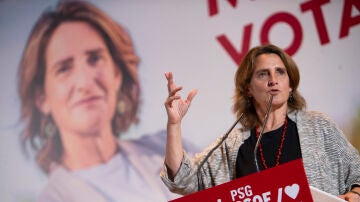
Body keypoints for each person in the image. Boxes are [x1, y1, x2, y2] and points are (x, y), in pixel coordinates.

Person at [17, 1, 196, 201]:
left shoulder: (169, 147)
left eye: (94, 58)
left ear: (117, 73)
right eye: (64, 68)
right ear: (41, 98)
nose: (85, 82)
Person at [160, 44, 360, 201]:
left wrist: (356, 194)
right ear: (248, 88)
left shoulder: (319, 127)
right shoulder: (232, 144)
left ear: (290, 85)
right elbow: (183, 179)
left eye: (280, 72)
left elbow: (357, 172)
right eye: (263, 73)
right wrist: (174, 124)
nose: (273, 80)